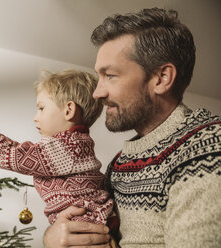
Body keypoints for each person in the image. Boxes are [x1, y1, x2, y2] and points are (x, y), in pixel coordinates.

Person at [43, 7, 221, 248]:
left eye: (111, 76)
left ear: (161, 78)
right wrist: (52, 236)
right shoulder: (119, 165)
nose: (97, 92)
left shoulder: (207, 147)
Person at [0, 70, 118, 229]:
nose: (36, 117)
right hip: (96, 220)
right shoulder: (78, 144)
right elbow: (20, 152)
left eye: (41, 108)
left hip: (87, 225)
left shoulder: (65, 147)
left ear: (69, 110)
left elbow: (5, 154)